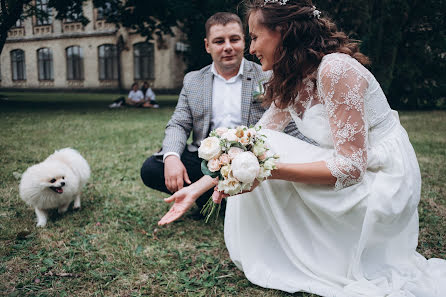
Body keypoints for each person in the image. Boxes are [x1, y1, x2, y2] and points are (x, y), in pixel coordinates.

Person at [158, 1, 446, 296]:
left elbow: (352, 168)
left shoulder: (336, 69)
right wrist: (199, 187)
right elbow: (256, 139)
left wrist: (267, 171)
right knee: (259, 145)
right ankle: (281, 249)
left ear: (282, 31)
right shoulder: (293, 76)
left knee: (264, 152)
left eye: (254, 37)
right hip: (347, 166)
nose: (252, 48)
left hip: (382, 178)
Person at [140, 12, 315, 213]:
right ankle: (215, 198)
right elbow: (178, 124)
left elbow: (289, 123)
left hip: (251, 160)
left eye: (234, 39)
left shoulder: (268, 76)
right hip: (205, 159)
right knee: (152, 168)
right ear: (207, 46)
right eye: (219, 41)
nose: (228, 47)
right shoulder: (193, 80)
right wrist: (171, 157)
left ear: (244, 41)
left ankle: (228, 200)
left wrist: (312, 152)